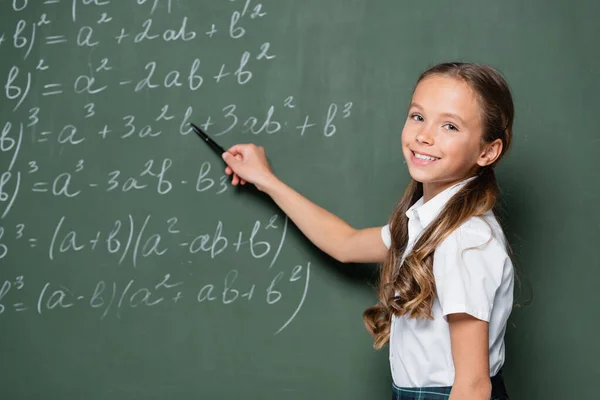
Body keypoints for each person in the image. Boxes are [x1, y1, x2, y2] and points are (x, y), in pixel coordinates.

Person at [220, 62, 514, 400]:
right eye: (418, 116)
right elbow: (345, 243)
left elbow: (474, 385)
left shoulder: (465, 241)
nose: (424, 135)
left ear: (487, 151)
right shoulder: (427, 222)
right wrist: (266, 180)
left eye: (449, 126)